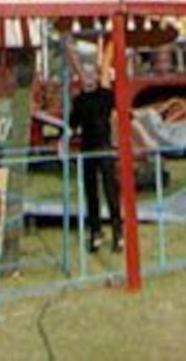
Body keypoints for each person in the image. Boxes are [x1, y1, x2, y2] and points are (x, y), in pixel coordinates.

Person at [68, 44, 123, 253]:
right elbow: (71, 126)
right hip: (87, 151)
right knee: (92, 193)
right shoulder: (80, 101)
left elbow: (107, 62)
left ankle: (118, 233)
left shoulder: (105, 95)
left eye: (92, 74)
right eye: (86, 75)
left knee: (111, 191)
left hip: (105, 149)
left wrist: (107, 45)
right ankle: (96, 233)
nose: (89, 77)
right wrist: (62, 142)